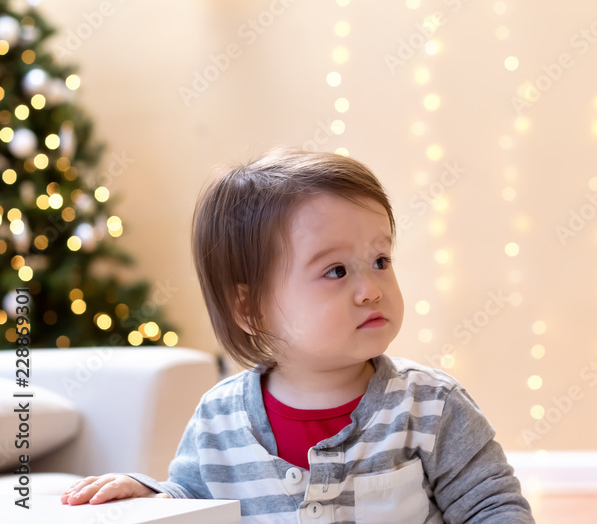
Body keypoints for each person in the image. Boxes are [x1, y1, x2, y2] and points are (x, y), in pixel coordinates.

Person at [61, 147, 535, 524]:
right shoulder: (219, 418)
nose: (370, 290)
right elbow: (192, 501)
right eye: (335, 271)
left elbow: (494, 508)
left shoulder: (431, 406)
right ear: (249, 307)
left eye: (380, 261)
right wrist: (151, 492)